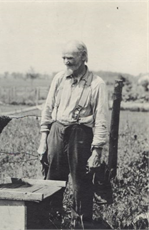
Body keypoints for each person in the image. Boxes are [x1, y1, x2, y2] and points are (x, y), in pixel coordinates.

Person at [37, 40, 108, 229]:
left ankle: (82, 224)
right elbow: (48, 108)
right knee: (52, 180)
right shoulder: (59, 79)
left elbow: (101, 119)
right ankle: (52, 223)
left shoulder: (97, 84)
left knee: (81, 184)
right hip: (57, 130)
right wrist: (43, 140)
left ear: (84, 57)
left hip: (81, 135)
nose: (66, 62)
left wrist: (97, 151)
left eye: (71, 58)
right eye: (64, 58)